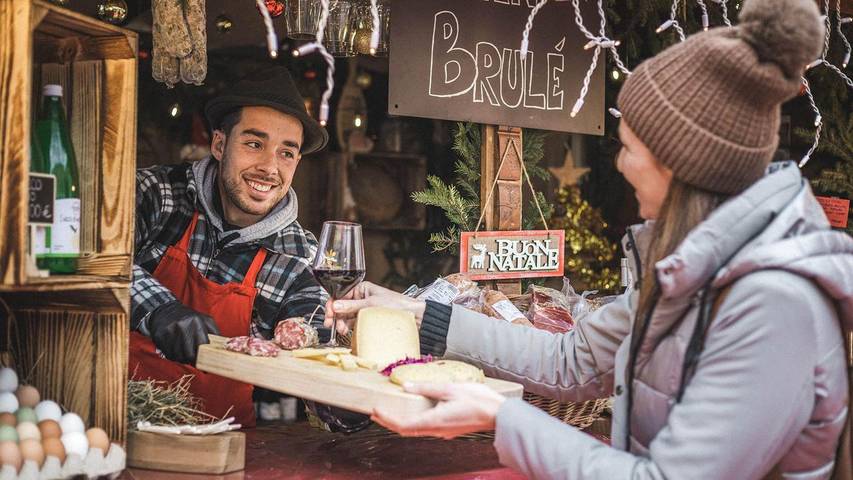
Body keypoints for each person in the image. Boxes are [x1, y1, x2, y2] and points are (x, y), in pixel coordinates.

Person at [327, 0, 853, 477]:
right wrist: (421, 316)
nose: (621, 165)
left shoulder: (773, 302)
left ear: (681, 164)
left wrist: (504, 418)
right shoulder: (685, 269)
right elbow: (571, 361)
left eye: (629, 147)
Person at [129, 67, 329, 427]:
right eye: (254, 144)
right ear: (219, 145)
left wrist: (336, 392)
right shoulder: (155, 194)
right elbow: (96, 261)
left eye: (287, 153)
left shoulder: (299, 256)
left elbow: (314, 333)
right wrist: (158, 309)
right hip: (115, 423)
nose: (270, 167)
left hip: (222, 440)